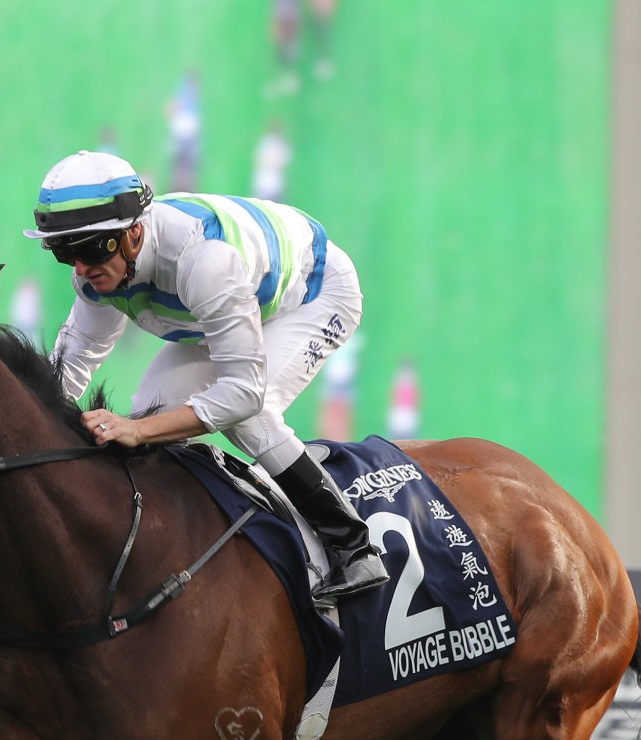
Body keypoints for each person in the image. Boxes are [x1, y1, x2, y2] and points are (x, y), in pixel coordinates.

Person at [25, 150, 387, 599]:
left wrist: (138, 430)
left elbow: (243, 394)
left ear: (134, 233)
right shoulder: (97, 271)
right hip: (227, 308)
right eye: (64, 252)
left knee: (245, 418)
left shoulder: (203, 261)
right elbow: (73, 364)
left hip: (312, 297)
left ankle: (352, 546)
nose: (80, 268)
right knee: (151, 412)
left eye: (90, 249)